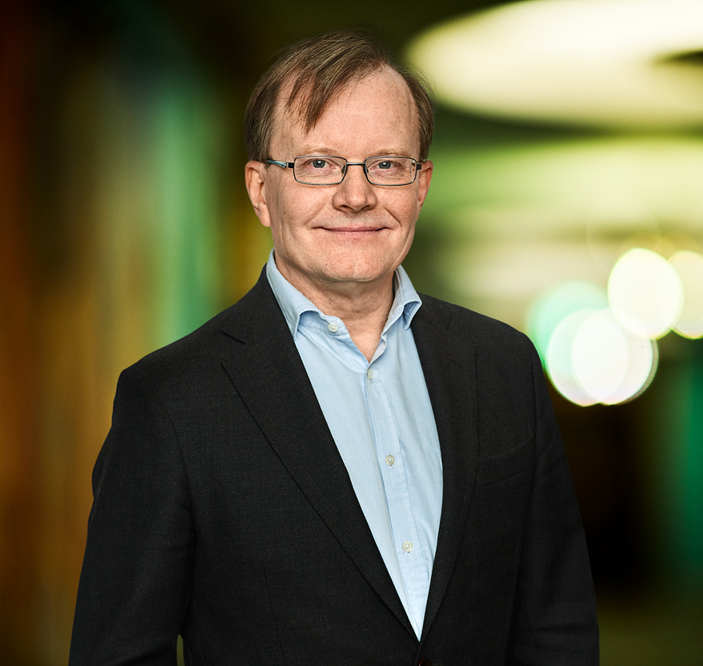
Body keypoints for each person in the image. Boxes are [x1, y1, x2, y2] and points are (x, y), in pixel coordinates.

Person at [69, 30, 598, 666]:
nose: (356, 195)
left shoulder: (504, 367)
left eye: (387, 164)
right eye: (319, 164)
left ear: (421, 185)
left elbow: (556, 627)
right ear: (262, 191)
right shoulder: (172, 402)